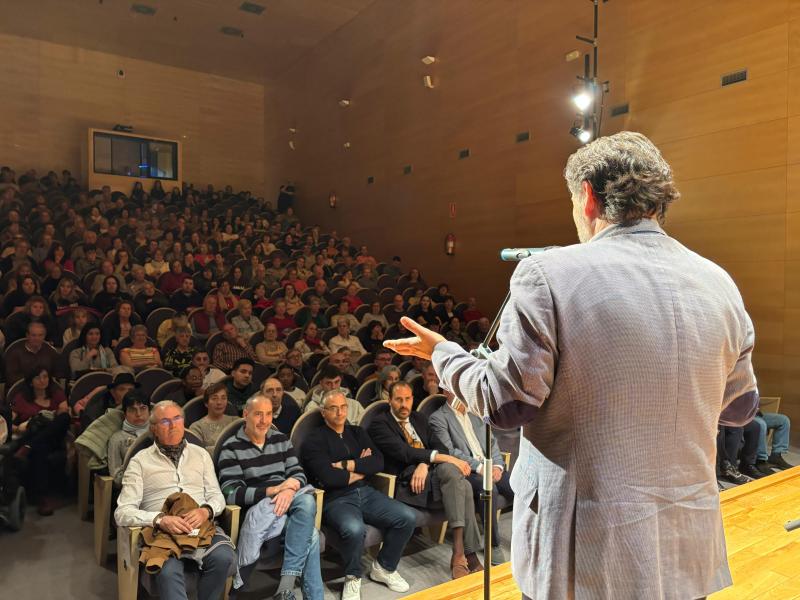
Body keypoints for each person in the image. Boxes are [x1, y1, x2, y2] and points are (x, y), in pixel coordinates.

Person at [384, 131, 760, 600]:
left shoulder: (548, 273)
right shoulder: (719, 281)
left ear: (587, 197)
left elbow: (507, 405)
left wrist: (444, 354)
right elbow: (741, 409)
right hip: (687, 545)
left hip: (588, 551)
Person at [114, 400, 236, 600]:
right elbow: (122, 512)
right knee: (168, 571)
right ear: (154, 429)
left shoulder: (201, 454)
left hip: (201, 527)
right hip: (162, 534)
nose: (173, 425)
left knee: (224, 557)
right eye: (164, 421)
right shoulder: (140, 461)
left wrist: (205, 511)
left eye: (177, 418)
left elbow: (216, 496)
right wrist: (161, 519)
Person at [301, 390, 415, 600]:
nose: (339, 412)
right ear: (323, 412)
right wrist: (363, 467)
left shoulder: (358, 433)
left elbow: (378, 462)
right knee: (355, 529)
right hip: (335, 498)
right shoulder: (314, 439)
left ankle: (384, 568)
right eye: (333, 408)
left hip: (365, 491)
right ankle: (353, 577)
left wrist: (347, 466)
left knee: (407, 517)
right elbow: (328, 478)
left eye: (343, 407)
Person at [368, 381, 484, 578]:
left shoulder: (419, 418)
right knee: (458, 480)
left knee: (457, 479)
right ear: (389, 401)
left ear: (413, 399)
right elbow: (404, 452)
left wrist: (425, 464)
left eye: (407, 399)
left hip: (433, 477)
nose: (404, 404)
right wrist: (442, 459)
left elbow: (442, 448)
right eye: (398, 400)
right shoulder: (380, 424)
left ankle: (460, 554)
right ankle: (467, 554)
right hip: (410, 484)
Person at [217, 394, 322, 599]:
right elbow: (230, 492)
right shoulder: (231, 447)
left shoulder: (281, 440)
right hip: (261, 506)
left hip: (289, 498)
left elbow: (298, 474)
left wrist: (289, 490)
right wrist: (272, 491)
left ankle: (285, 590)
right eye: (258, 414)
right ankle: (290, 589)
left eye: (268, 414)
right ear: (245, 414)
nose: (264, 421)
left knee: (307, 499)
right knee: (312, 535)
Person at [429, 391, 513, 565]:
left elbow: (492, 443)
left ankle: (528, 538)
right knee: (488, 488)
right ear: (446, 391)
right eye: (455, 388)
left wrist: (497, 466)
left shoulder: (475, 413)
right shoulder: (438, 418)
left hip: (490, 466)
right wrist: (481, 468)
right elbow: (449, 451)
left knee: (518, 486)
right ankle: (493, 544)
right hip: (469, 470)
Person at [8, 367, 71, 515]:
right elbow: (8, 420)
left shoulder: (56, 394)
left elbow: (63, 413)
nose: (42, 381)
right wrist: (20, 428)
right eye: (38, 378)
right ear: (30, 382)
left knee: (64, 418)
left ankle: (29, 446)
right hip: (32, 435)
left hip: (54, 436)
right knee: (40, 447)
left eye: (45, 377)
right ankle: (42, 497)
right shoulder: (20, 398)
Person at [107, 392, 151, 484]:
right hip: (133, 486)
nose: (138, 414)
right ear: (125, 414)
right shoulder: (117, 439)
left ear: (149, 411)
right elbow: (116, 478)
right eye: (132, 410)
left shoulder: (158, 433)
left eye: (143, 408)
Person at [189, 382, 239, 453]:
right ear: (206, 403)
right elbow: (199, 454)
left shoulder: (235, 421)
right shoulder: (197, 427)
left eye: (223, 398)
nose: (219, 402)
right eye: (214, 398)